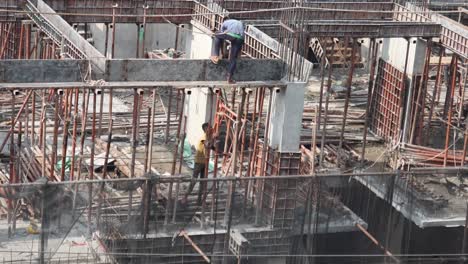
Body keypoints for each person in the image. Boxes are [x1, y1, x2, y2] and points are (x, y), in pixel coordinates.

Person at [182, 123, 213, 205]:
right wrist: (213, 138)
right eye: (210, 128)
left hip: (205, 163)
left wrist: (220, 151)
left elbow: (212, 147)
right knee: (194, 180)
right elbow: (207, 145)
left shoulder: (208, 137)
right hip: (199, 162)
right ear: (206, 129)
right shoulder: (204, 137)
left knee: (203, 182)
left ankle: (200, 200)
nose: (211, 129)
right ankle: (185, 197)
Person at [210, 17, 245, 84]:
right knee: (233, 59)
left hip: (232, 35)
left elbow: (221, 35)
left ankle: (215, 56)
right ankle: (229, 78)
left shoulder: (225, 22)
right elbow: (242, 37)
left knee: (217, 35)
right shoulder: (240, 23)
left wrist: (222, 53)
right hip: (240, 39)